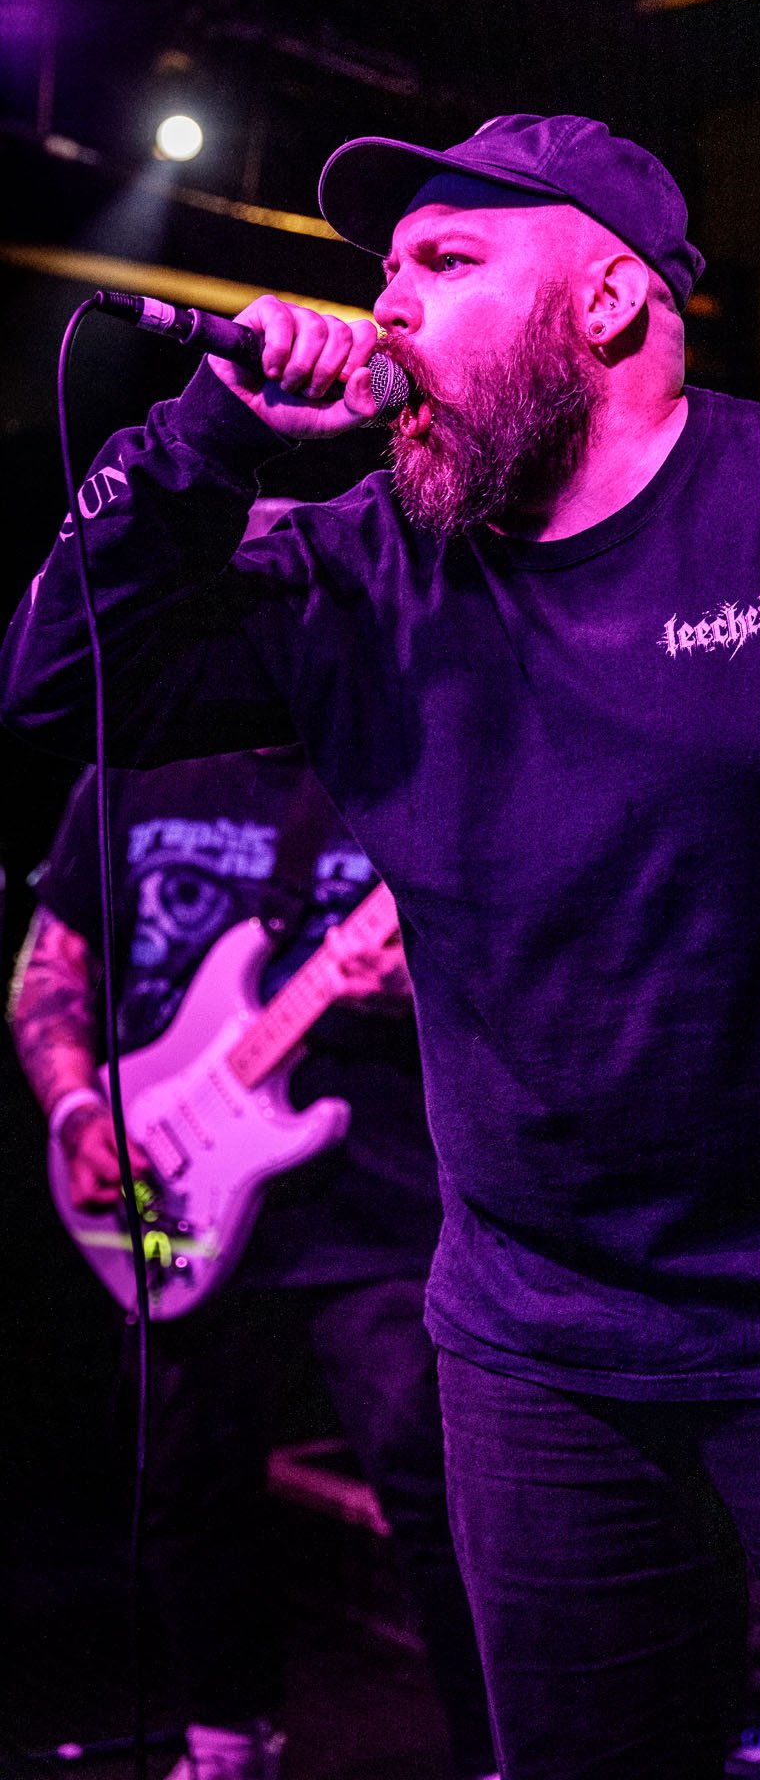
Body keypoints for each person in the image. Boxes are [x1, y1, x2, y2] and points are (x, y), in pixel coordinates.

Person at [1, 112, 760, 1780]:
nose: (392, 306)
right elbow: (53, 691)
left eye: (447, 258)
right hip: (536, 1336)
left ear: (613, 303)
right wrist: (209, 436)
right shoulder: (366, 570)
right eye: (385, 270)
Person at [8, 740, 495, 1780]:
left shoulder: (400, 746)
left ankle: (500, 1748)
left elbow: (521, 932)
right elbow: (48, 967)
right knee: (181, 1475)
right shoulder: (133, 765)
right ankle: (227, 1736)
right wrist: (79, 1108)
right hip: (167, 1186)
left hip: (377, 1203)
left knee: (436, 1485)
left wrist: (423, 973)